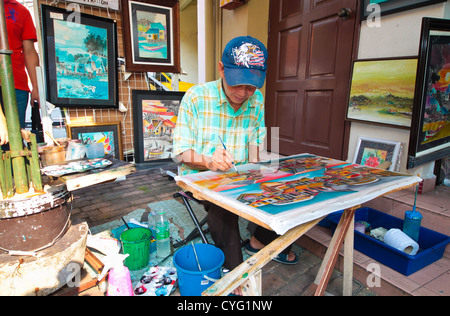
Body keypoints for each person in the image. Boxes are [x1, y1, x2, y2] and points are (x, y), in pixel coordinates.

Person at [173, 36, 298, 275]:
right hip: (202, 178)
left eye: (250, 87)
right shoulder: (196, 97)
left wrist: (262, 170)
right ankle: (234, 272)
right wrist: (208, 161)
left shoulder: (257, 101)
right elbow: (180, 154)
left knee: (286, 188)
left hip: (240, 174)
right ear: (221, 69)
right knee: (224, 208)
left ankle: (258, 240)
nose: (243, 93)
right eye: (236, 84)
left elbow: (255, 148)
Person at [1, 0, 40, 130]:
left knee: (15, 138)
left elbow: (29, 51)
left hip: (16, 86)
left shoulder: (21, 11)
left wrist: (36, 86)